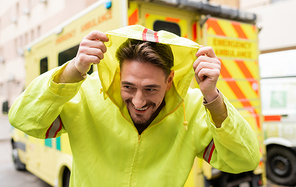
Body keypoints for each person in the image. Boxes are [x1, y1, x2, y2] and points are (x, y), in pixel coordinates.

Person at [9, 25, 260, 186]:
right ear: (118, 74)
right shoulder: (85, 94)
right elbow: (24, 120)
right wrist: (72, 71)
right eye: (128, 87)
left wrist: (213, 98)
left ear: (170, 79)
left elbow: (244, 161)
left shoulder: (194, 108)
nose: (138, 102)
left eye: (151, 89)